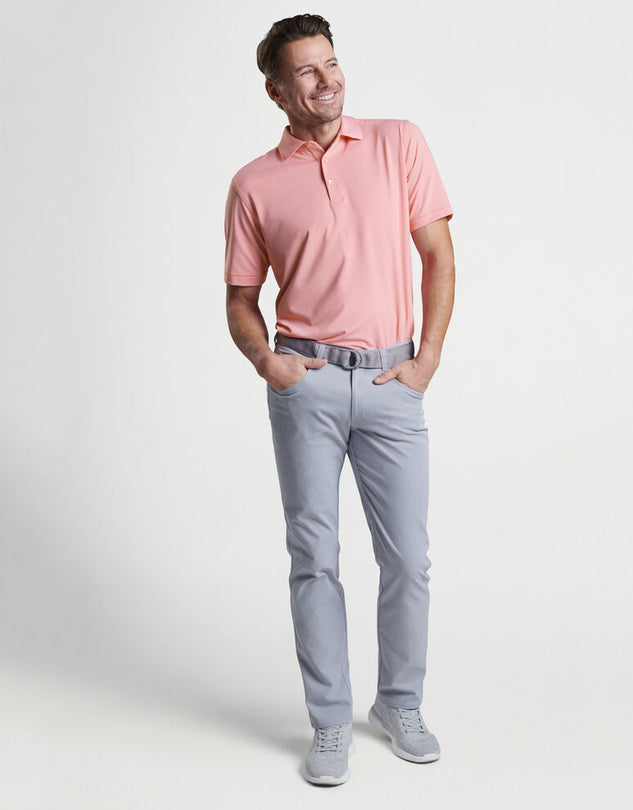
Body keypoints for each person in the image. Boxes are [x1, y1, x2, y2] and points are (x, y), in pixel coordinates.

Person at [224, 13, 455, 786]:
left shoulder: (398, 143)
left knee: (409, 560)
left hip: (392, 382)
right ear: (276, 91)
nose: (327, 80)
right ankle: (329, 721)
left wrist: (426, 360)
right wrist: (268, 361)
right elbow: (240, 298)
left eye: (331, 63)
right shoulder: (254, 184)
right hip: (308, 388)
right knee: (314, 560)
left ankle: (400, 702)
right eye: (307, 71)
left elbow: (439, 255)